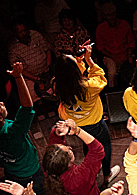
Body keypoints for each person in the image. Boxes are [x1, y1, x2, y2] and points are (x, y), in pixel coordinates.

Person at [42, 45, 116, 187]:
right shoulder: (88, 87)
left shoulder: (57, 84)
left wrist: (79, 60)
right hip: (94, 122)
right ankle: (107, 174)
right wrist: (88, 60)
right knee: (104, 146)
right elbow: (100, 77)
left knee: (87, 144)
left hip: (76, 123)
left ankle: (93, 170)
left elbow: (71, 74)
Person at [0, 60, 45, 195]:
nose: (1, 103)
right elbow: (27, 107)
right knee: (39, 193)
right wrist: (18, 77)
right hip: (30, 170)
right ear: (0, 118)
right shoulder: (13, 133)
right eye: (0, 106)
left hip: (11, 170)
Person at [44, 118, 105, 195]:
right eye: (69, 152)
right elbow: (97, 150)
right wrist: (77, 131)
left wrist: (58, 133)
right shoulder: (80, 176)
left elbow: (54, 150)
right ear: (68, 163)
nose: (69, 147)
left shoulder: (50, 169)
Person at [7, 19, 53, 100]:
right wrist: (35, 79)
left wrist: (48, 66)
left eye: (25, 30)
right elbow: (19, 69)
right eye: (20, 32)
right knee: (33, 97)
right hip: (30, 77)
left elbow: (47, 49)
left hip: (47, 70)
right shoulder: (13, 47)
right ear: (16, 33)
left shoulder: (35, 34)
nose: (24, 33)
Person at [95, 1, 136, 89]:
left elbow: (131, 43)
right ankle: (112, 91)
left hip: (125, 54)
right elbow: (100, 47)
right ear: (104, 16)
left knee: (130, 71)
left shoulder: (124, 24)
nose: (110, 18)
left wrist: (128, 55)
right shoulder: (101, 28)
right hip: (109, 55)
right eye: (107, 15)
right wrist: (113, 57)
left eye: (112, 15)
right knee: (112, 72)